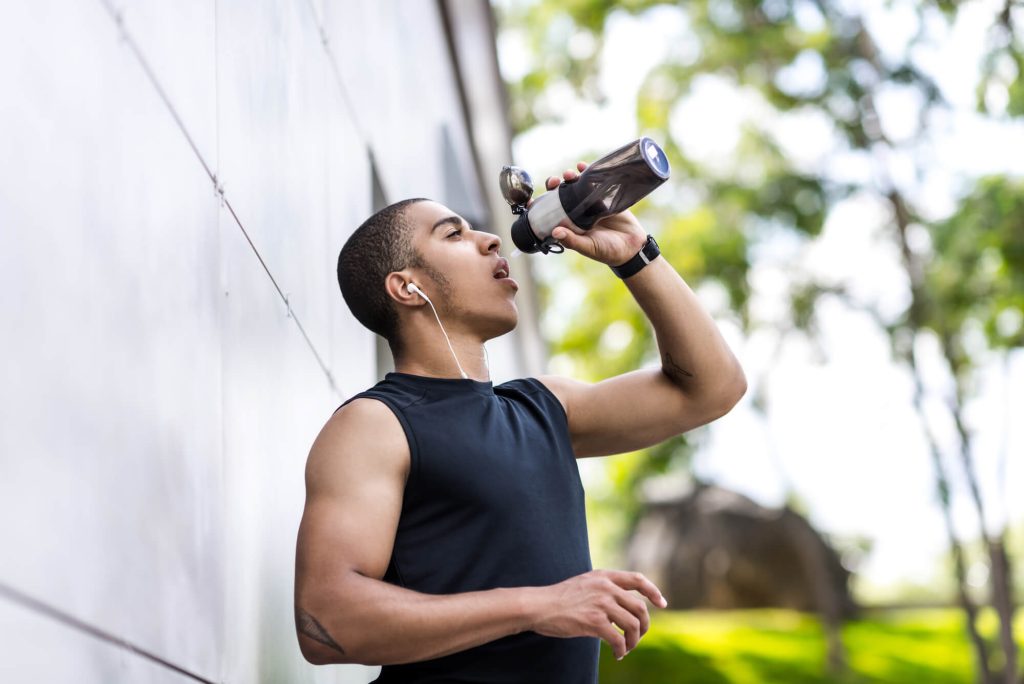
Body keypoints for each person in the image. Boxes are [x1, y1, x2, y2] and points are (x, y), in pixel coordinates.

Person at [293, 162, 747, 682]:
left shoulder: (545, 405)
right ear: (407, 287)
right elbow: (323, 619)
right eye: (454, 234)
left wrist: (636, 255)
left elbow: (714, 388)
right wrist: (538, 606)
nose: (490, 241)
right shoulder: (374, 424)